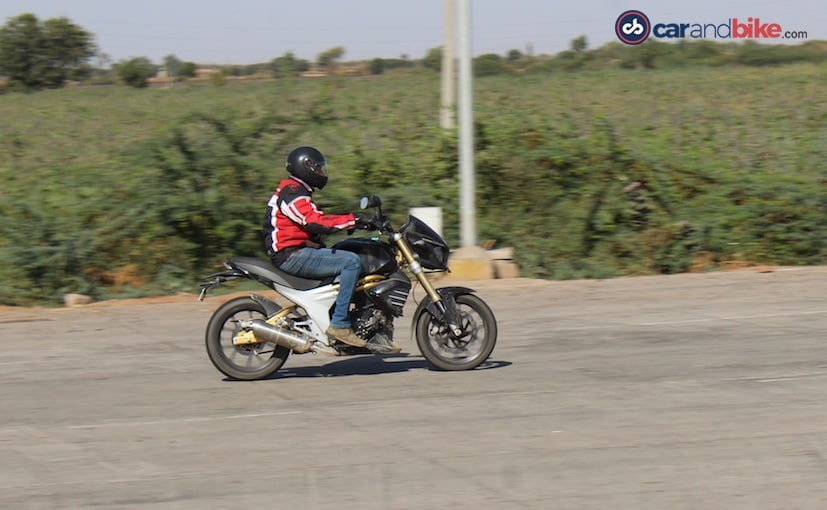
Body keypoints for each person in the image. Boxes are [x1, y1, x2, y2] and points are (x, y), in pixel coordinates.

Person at [262, 146, 391, 350]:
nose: (322, 173)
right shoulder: (293, 191)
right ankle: (339, 324)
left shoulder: (297, 190)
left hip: (296, 250)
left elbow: (308, 224)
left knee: (346, 251)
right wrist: (354, 219)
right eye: (319, 168)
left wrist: (355, 223)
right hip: (291, 255)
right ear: (307, 167)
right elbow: (314, 221)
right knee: (351, 262)